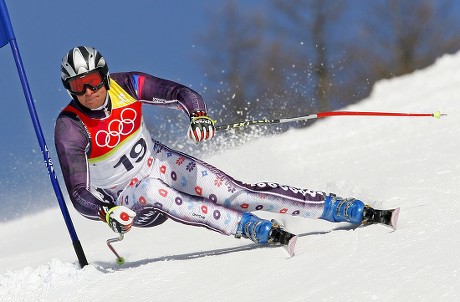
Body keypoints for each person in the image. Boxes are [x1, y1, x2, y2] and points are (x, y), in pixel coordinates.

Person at [55, 46, 389, 246]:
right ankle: (246, 227)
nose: (88, 91)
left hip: (157, 161)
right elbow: (78, 194)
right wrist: (106, 212)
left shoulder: (126, 84)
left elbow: (180, 93)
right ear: (70, 90)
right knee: (156, 192)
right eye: (78, 86)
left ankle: (336, 207)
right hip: (128, 201)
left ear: (105, 74)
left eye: (93, 80)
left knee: (235, 193)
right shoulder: (71, 127)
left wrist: (198, 115)